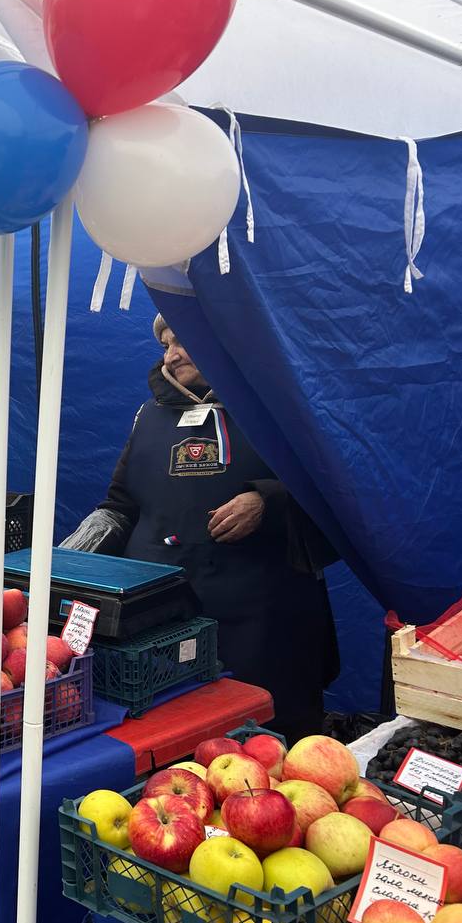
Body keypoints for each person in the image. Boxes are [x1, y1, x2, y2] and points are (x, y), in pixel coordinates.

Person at [62, 315, 339, 742]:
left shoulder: (277, 405)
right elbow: (119, 506)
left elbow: (332, 489)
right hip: (164, 617)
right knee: (176, 740)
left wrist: (266, 501)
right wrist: (66, 558)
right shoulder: (148, 417)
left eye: (183, 340)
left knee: (265, 737)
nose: (171, 355)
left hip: (263, 618)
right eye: (165, 345)